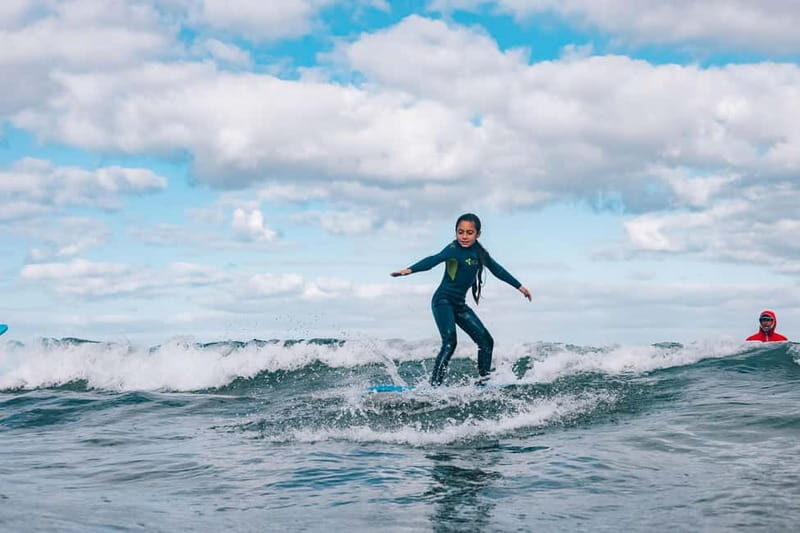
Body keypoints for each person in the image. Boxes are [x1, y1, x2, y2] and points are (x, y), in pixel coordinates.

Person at [391, 213, 531, 385]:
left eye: (469, 232)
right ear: (456, 232)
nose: (464, 236)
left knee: (486, 342)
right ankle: (434, 386)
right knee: (450, 341)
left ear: (478, 234)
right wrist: (410, 269)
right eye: (460, 232)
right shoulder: (452, 249)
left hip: (459, 305)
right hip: (442, 301)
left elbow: (497, 270)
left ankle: (483, 383)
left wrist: (520, 287)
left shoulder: (479, 253)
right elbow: (433, 260)